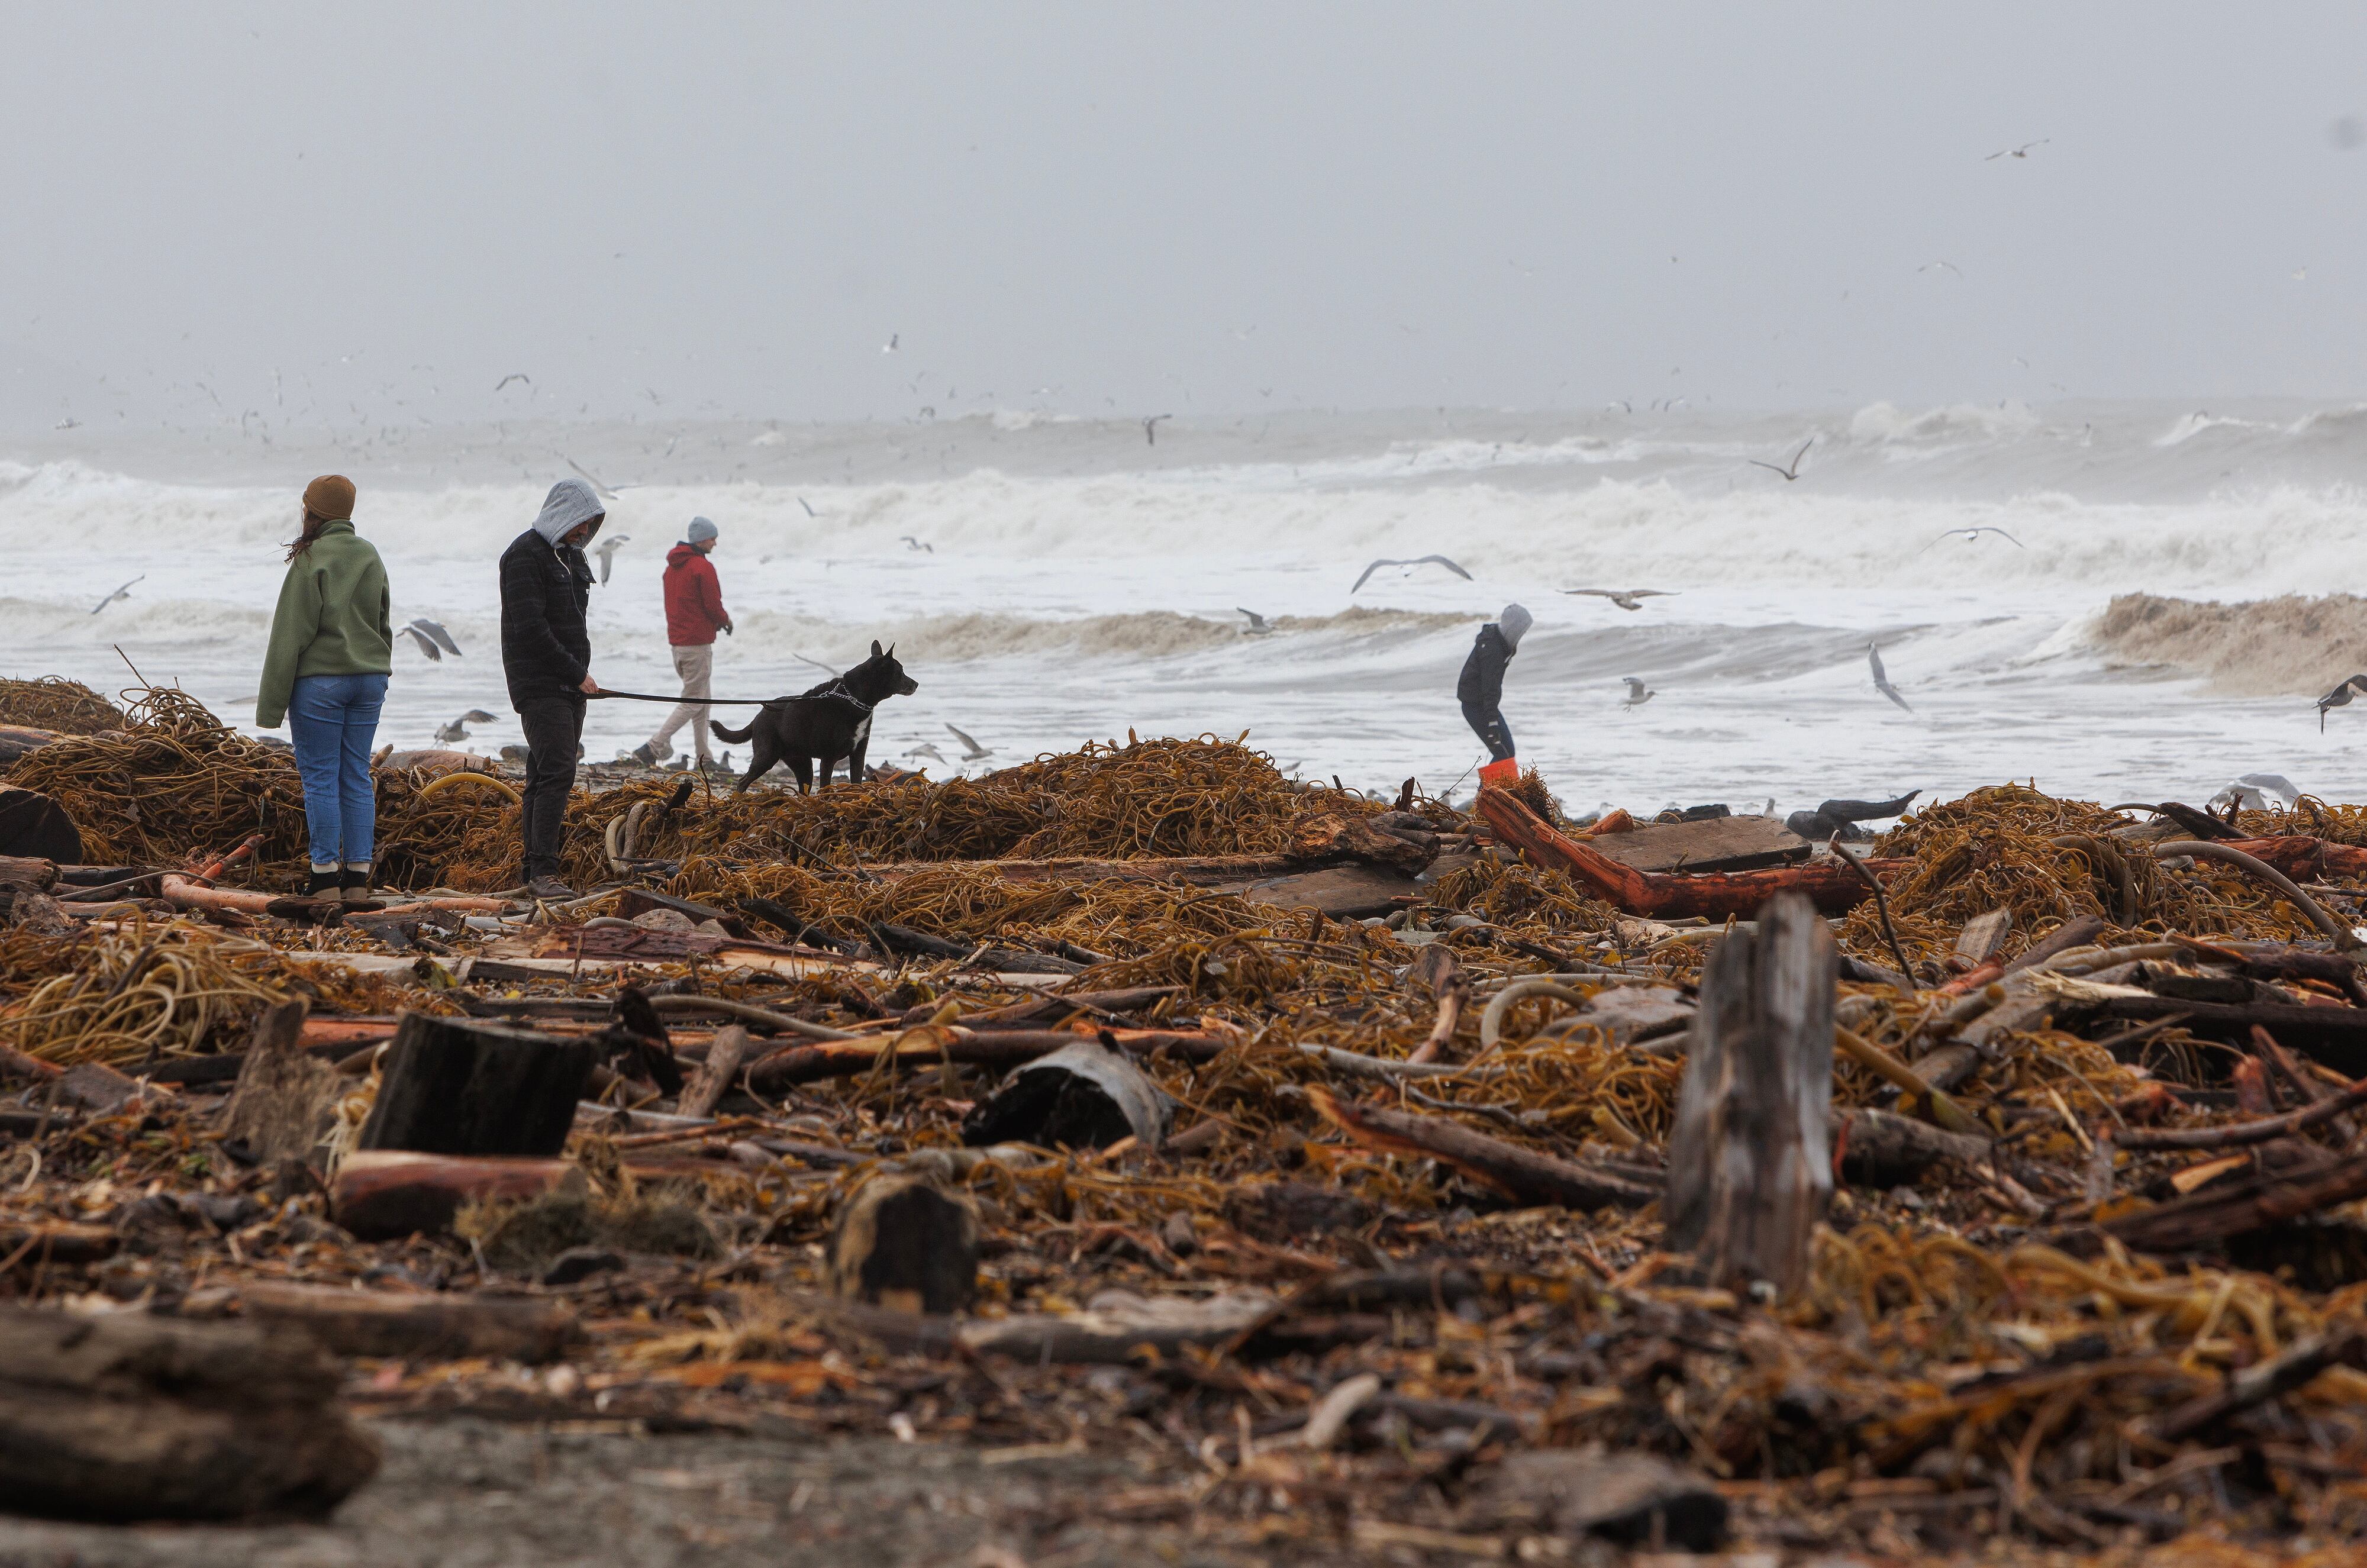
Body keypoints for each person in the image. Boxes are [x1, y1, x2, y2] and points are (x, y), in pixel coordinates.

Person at [255, 474, 393, 902]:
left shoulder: (311, 558)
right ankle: (357, 880)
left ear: (312, 512)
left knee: (319, 779)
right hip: (370, 679)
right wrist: (376, 668)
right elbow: (383, 623)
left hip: (322, 684)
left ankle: (324, 879)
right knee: (355, 775)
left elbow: (288, 637)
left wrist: (270, 709)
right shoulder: (369, 555)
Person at [500, 477, 605, 898]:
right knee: (559, 771)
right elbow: (530, 630)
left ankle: (531, 872)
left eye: (590, 525)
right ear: (561, 514)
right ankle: (545, 873)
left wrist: (579, 677)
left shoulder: (572, 558)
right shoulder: (524, 556)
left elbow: (573, 624)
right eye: (580, 522)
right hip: (539, 682)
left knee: (542, 774)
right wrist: (575, 673)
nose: (584, 532)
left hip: (570, 685)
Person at [631, 515, 733, 768]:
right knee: (692, 701)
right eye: (713, 538)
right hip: (697, 644)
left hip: (678, 645)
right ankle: (653, 747)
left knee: (702, 700)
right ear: (701, 540)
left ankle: (704, 757)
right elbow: (713, 605)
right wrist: (726, 621)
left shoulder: (671, 568)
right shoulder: (702, 568)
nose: (715, 544)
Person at [1457, 602, 1531, 790]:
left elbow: (1492, 690)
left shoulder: (1497, 642)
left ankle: (1488, 797)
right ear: (1512, 628)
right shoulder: (1493, 649)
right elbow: (1490, 688)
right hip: (1476, 706)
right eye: (1521, 630)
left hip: (1484, 706)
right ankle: (1485, 798)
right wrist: (1492, 722)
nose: (1521, 635)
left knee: (1506, 752)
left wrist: (1492, 716)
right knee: (1503, 753)